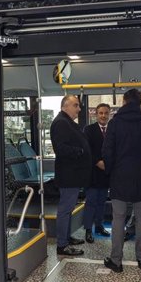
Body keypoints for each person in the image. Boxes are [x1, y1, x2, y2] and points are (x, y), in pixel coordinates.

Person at [102, 89, 141, 272]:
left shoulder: (115, 123)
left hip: (119, 176)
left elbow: (107, 151)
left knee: (118, 218)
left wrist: (111, 171)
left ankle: (116, 261)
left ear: (125, 101)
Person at [50, 95, 90, 256]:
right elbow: (61, 148)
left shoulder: (66, 122)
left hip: (73, 174)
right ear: (65, 106)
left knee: (68, 208)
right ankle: (62, 245)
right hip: (68, 175)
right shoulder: (61, 123)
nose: (79, 109)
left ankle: (66, 237)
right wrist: (80, 151)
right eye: (76, 105)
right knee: (65, 209)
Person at [82, 103, 112, 243]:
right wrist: (98, 162)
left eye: (106, 113)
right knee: (91, 202)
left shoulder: (112, 129)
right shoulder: (88, 130)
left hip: (106, 173)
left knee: (102, 202)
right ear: (96, 114)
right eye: (100, 113)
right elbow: (87, 150)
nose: (103, 115)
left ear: (109, 114)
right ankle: (88, 229)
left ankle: (99, 225)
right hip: (93, 173)